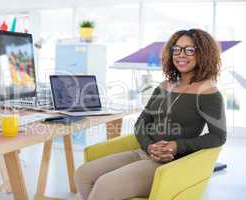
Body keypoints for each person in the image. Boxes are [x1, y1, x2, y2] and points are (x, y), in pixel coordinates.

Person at [74, 28, 227, 200]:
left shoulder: (209, 93)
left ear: (203, 54)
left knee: (105, 185)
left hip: (170, 164)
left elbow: (218, 136)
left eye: (189, 49)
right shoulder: (164, 86)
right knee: (83, 174)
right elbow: (141, 122)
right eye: (176, 49)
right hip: (143, 152)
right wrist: (148, 146)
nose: (180, 54)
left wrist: (177, 145)